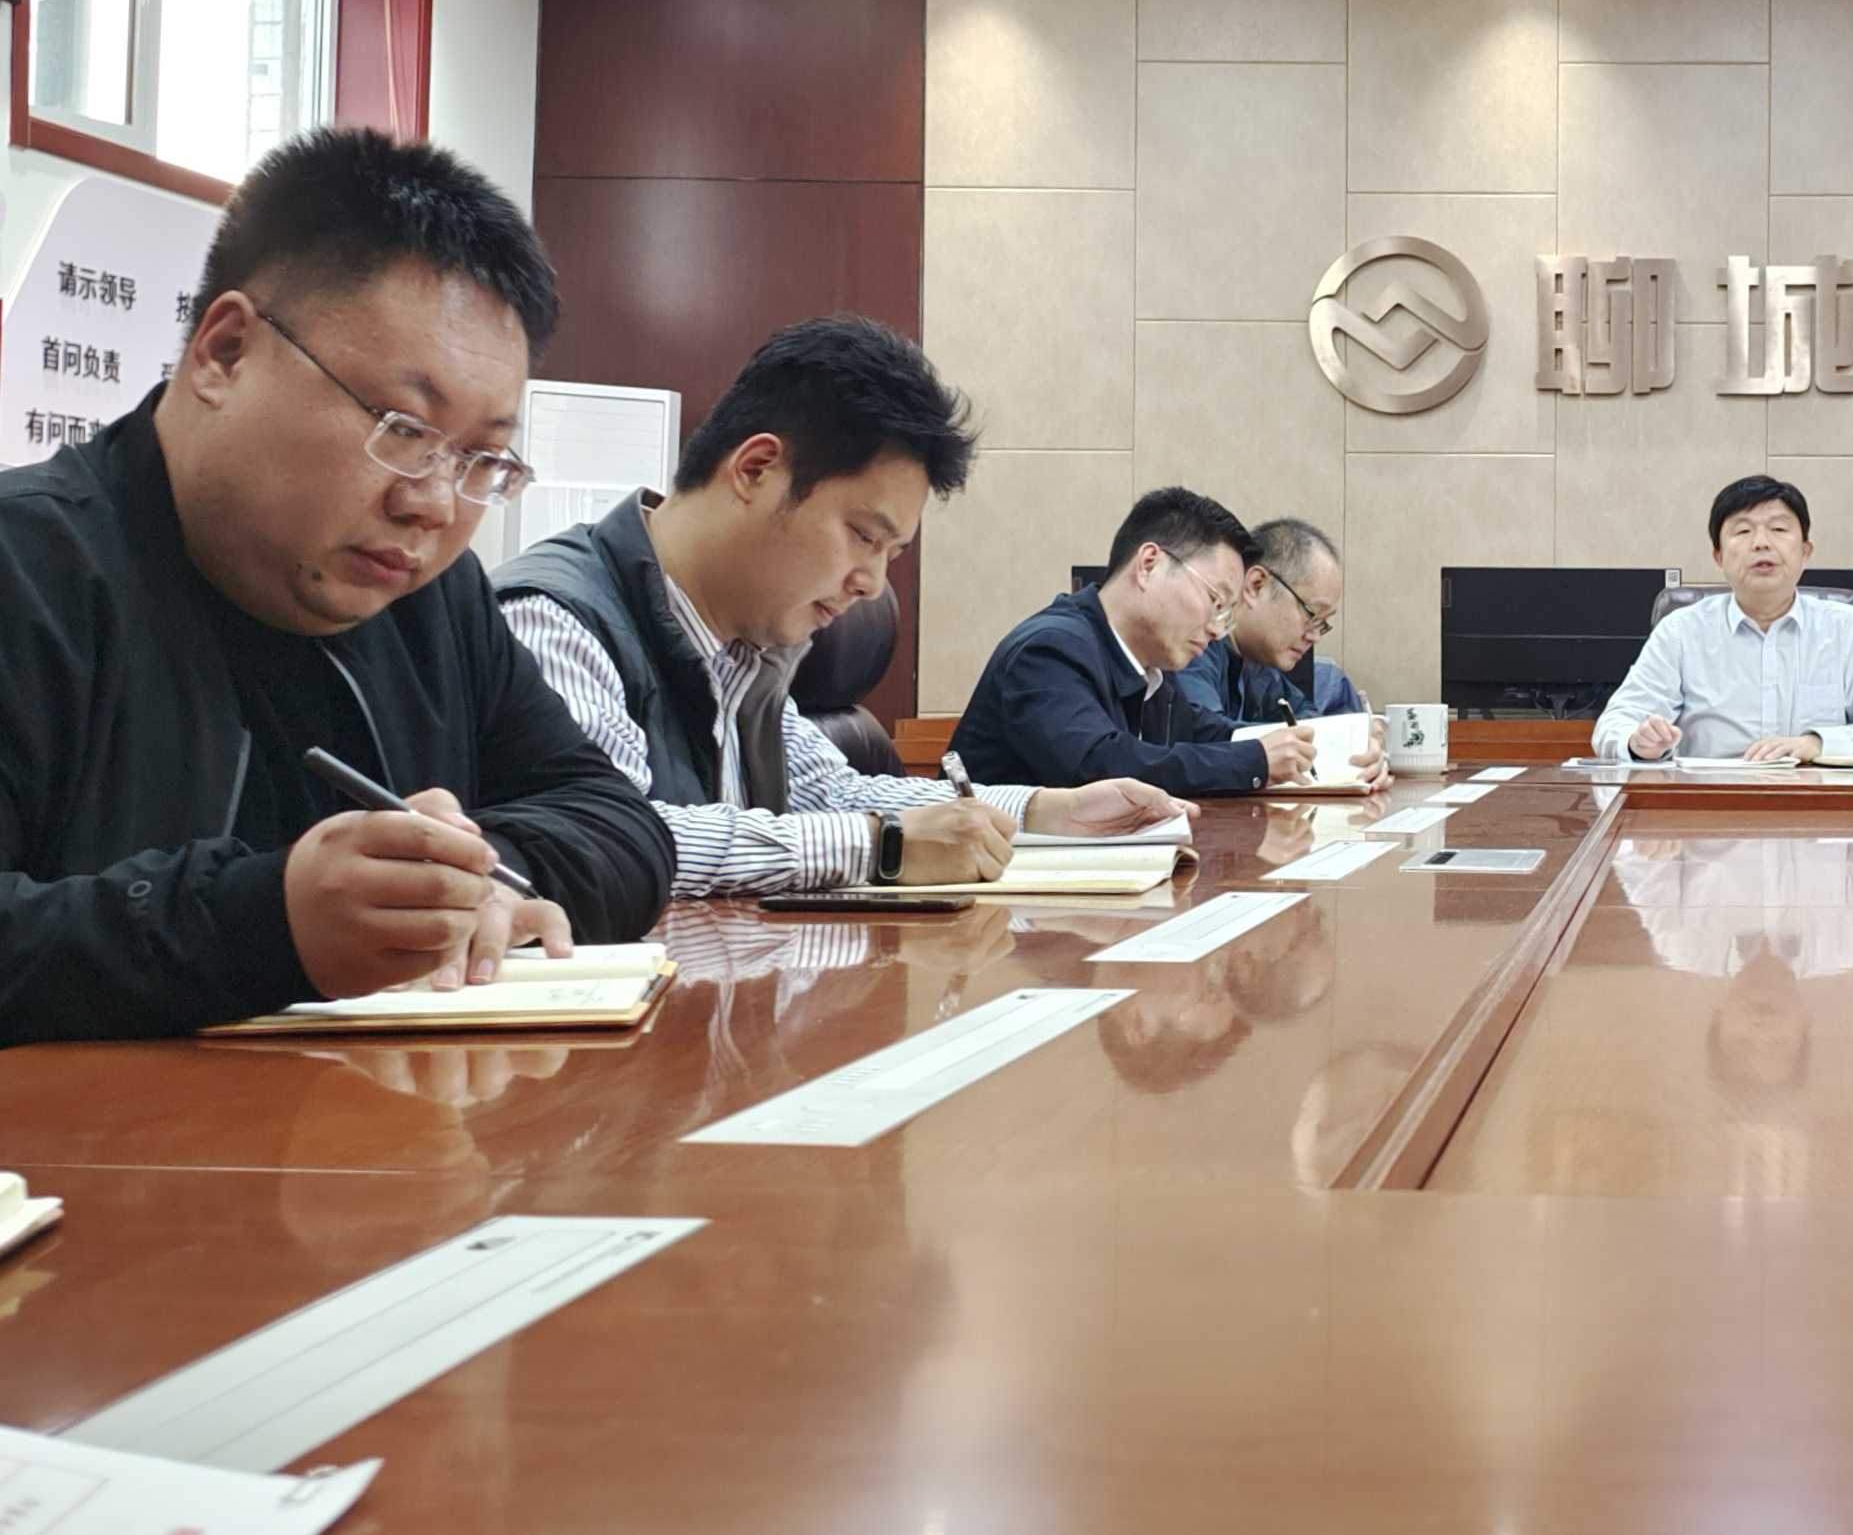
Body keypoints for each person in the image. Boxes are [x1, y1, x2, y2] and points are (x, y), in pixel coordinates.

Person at [0, 129, 670, 1044]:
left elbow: (617, 821)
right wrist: (263, 924)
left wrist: (471, 881)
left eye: (481, 458)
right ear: (224, 351)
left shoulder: (435, 601)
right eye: (403, 428)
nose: (433, 504)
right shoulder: (29, 570)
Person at [498, 316, 1180, 897]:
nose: (872, 584)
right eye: (863, 536)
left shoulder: (747, 646)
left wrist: (1044, 812)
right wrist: (882, 848)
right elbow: (613, 837)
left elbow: (834, 794)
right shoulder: (555, 620)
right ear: (756, 469)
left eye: (891, 554)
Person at [953, 487, 1376, 797]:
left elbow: (1205, 733)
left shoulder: (1151, 668)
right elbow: (1099, 766)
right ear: (1149, 564)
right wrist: (1256, 761)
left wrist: (1342, 747)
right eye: (1215, 600)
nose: (1218, 629)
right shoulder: (1050, 650)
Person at [1594, 476, 1853, 763]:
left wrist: (1818, 743)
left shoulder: (1850, 629)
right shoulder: (1681, 631)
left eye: (1778, 529)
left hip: (1817, 803)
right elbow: (1614, 725)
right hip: (1707, 804)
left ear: (1805, 551)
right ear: (1719, 557)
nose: (1761, 542)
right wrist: (1638, 742)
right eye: (1743, 530)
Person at [1177, 515, 1367, 735]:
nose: (1315, 636)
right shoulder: (1197, 643)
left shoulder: (1260, 666)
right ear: (1256, 585)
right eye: (1312, 614)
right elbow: (1206, 733)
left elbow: (1304, 714)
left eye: (1322, 624)